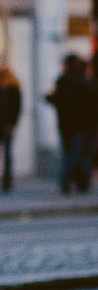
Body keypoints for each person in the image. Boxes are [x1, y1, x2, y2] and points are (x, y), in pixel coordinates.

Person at [46, 54, 95, 195]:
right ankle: (79, 182)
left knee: (71, 154)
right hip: (82, 127)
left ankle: (69, 181)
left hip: (68, 125)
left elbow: (57, 99)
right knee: (80, 155)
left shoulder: (64, 82)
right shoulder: (84, 83)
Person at [0, 54, 22, 193]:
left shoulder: (13, 84)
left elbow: (17, 106)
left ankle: (6, 181)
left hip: (7, 122)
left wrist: (12, 122)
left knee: (7, 153)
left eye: (1, 63)